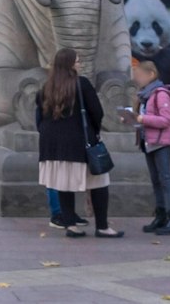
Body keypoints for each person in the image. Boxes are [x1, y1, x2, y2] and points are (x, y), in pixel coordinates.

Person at [33, 47, 122, 238]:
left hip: (53, 145)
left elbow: (39, 116)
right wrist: (94, 131)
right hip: (80, 142)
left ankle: (71, 225)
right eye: (77, 61)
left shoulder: (46, 87)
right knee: (99, 182)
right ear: (70, 65)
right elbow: (97, 111)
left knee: (63, 184)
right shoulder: (82, 84)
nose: (80, 64)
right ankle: (102, 226)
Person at [123, 55, 170, 235]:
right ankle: (161, 215)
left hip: (161, 142)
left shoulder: (160, 94)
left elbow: (166, 120)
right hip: (148, 141)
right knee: (156, 181)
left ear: (151, 74)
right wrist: (131, 119)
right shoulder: (145, 95)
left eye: (140, 75)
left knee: (165, 180)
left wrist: (142, 118)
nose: (137, 79)